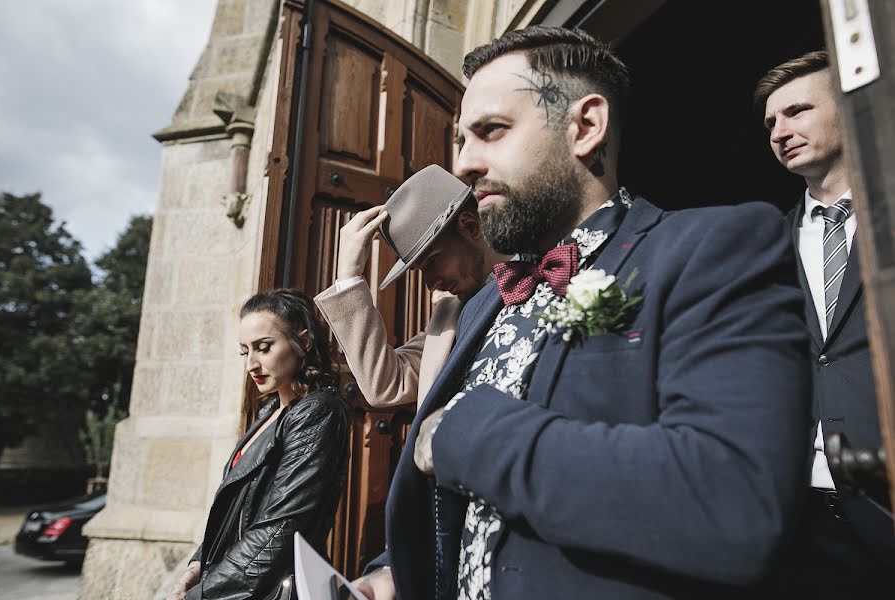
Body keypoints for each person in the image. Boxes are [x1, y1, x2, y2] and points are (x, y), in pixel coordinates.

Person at [355, 26, 811, 600]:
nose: (464, 164)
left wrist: (465, 434)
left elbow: (734, 499)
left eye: (491, 131)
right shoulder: (485, 303)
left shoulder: (712, 250)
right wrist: (395, 571)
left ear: (586, 127)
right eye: (460, 140)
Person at [754, 50, 895, 594]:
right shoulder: (765, 242)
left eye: (796, 112)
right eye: (770, 123)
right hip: (801, 512)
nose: (779, 131)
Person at [167, 289, 349, 600]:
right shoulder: (269, 413)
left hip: (270, 589)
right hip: (231, 583)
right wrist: (196, 566)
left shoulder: (317, 412)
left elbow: (280, 526)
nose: (251, 364)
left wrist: (202, 594)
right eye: (244, 351)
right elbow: (235, 513)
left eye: (263, 348)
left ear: (303, 342)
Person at [314, 164, 506, 409]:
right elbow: (384, 385)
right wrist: (349, 277)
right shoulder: (448, 318)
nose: (430, 283)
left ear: (470, 226)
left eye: (432, 261)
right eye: (420, 270)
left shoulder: (556, 269)